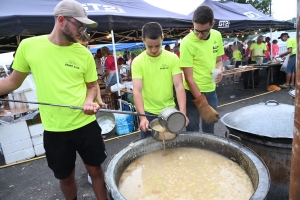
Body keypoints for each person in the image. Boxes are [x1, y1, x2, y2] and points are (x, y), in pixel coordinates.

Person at [0, 1, 107, 199]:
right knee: (65, 178)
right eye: (80, 25)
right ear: (61, 20)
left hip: (85, 125)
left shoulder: (83, 53)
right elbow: (12, 82)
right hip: (55, 130)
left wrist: (89, 101)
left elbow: (92, 87)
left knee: (95, 171)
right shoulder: (29, 47)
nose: (83, 31)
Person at [132, 22, 189, 138]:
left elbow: (179, 85)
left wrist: (183, 112)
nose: (154, 50)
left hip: (170, 111)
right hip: (147, 113)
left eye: (157, 46)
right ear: (143, 40)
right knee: (148, 151)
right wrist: (142, 117)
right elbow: (137, 90)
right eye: (150, 46)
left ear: (162, 38)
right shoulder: (138, 62)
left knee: (173, 148)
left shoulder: (172, 58)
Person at [180, 5, 223, 134]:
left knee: (209, 128)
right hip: (192, 93)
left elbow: (219, 60)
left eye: (204, 31)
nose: (199, 35)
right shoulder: (187, 42)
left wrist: (220, 70)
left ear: (212, 24)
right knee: (192, 130)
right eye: (196, 30)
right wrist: (202, 103)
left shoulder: (217, 36)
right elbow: (188, 77)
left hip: (210, 90)